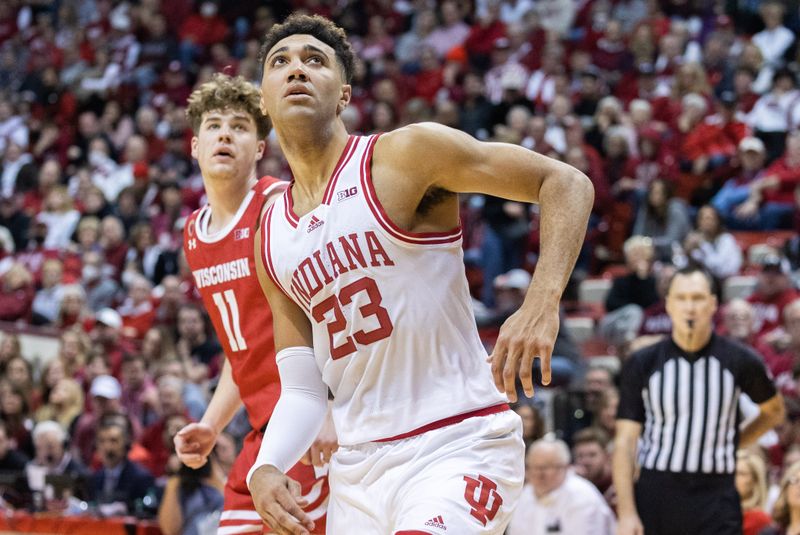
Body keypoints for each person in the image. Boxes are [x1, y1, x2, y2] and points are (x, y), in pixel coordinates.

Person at [249, 13, 593, 534]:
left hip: (457, 441)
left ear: (343, 95)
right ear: (263, 97)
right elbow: (302, 389)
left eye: (314, 60)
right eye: (281, 62)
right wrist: (265, 466)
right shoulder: (271, 234)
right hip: (358, 467)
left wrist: (541, 302)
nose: (296, 69)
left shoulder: (404, 156)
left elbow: (566, 183)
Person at [172, 73, 332, 534]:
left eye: (240, 126)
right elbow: (240, 349)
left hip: (307, 419)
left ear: (260, 149)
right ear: (195, 146)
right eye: (215, 125)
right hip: (263, 431)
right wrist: (212, 424)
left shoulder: (278, 206)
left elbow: (328, 309)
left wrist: (331, 408)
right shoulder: (194, 234)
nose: (225, 134)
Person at [613, 266, 786, 535]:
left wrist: (734, 441)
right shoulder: (643, 362)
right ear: (668, 304)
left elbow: (774, 412)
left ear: (713, 304)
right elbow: (625, 442)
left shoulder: (741, 360)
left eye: (697, 298)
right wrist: (626, 513)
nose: (689, 307)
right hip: (657, 491)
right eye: (681, 298)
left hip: (717, 493)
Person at [507, 438, 616, 535]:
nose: (539, 474)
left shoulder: (583, 497)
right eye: (533, 467)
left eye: (546, 467)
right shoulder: (523, 496)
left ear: (564, 467)